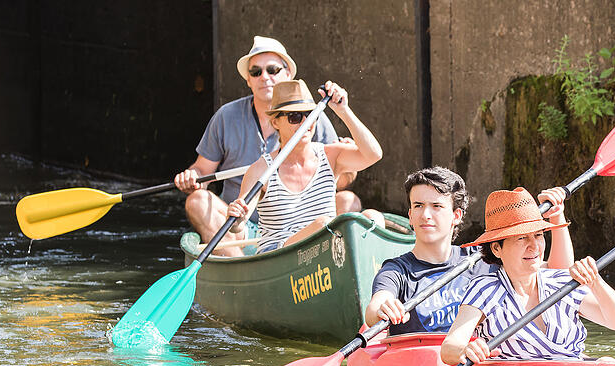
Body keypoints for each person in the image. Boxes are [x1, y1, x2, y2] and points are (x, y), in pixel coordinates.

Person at [174, 35, 361, 247]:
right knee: (197, 200)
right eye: (256, 72)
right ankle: (243, 273)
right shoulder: (226, 116)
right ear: (248, 80)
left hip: (299, 223)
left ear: (288, 74)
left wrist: (348, 164)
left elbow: (339, 180)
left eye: (273, 70)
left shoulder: (312, 116)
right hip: (238, 227)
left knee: (349, 201)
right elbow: (203, 172)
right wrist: (192, 177)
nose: (265, 77)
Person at [364, 167, 575, 335]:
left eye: (436, 206)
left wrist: (557, 218)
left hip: (476, 362)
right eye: (418, 206)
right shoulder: (396, 271)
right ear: (410, 215)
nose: (425, 215)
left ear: (456, 216)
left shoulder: (480, 259)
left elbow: (560, 273)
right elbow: (374, 309)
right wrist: (384, 309)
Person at [440, 187, 615, 365]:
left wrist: (595, 282)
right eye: (522, 238)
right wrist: (466, 349)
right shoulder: (485, 289)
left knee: (608, 362)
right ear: (497, 248)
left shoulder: (560, 282)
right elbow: (449, 348)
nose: (534, 246)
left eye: (539, 235)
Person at [225, 79, 383, 255]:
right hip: (279, 256)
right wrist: (236, 219)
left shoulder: (331, 155)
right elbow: (238, 225)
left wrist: (343, 110)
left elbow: (374, 155)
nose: (305, 123)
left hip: (324, 252)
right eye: (295, 117)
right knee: (322, 225)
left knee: (373, 218)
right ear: (276, 122)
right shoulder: (261, 170)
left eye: (310, 115)